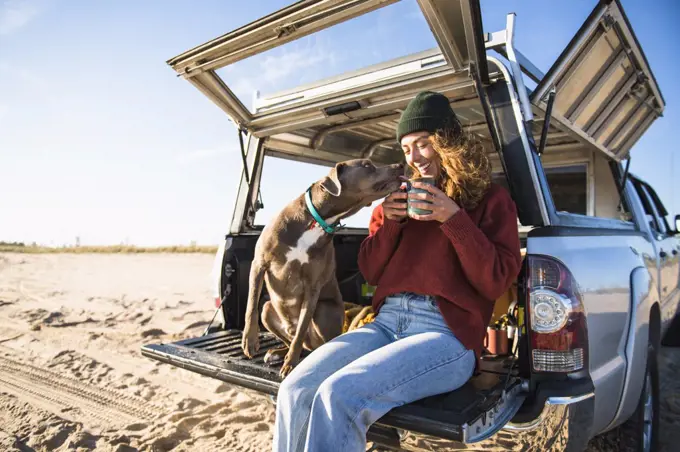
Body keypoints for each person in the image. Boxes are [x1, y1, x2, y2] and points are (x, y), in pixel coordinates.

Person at [273, 91, 522, 452]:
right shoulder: (396, 201)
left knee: (340, 395)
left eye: (423, 144)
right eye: (406, 149)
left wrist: (453, 219)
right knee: (295, 389)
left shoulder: (490, 200)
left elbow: (496, 280)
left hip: (447, 335)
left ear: (448, 142)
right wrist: (389, 224)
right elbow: (370, 272)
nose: (414, 158)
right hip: (386, 324)